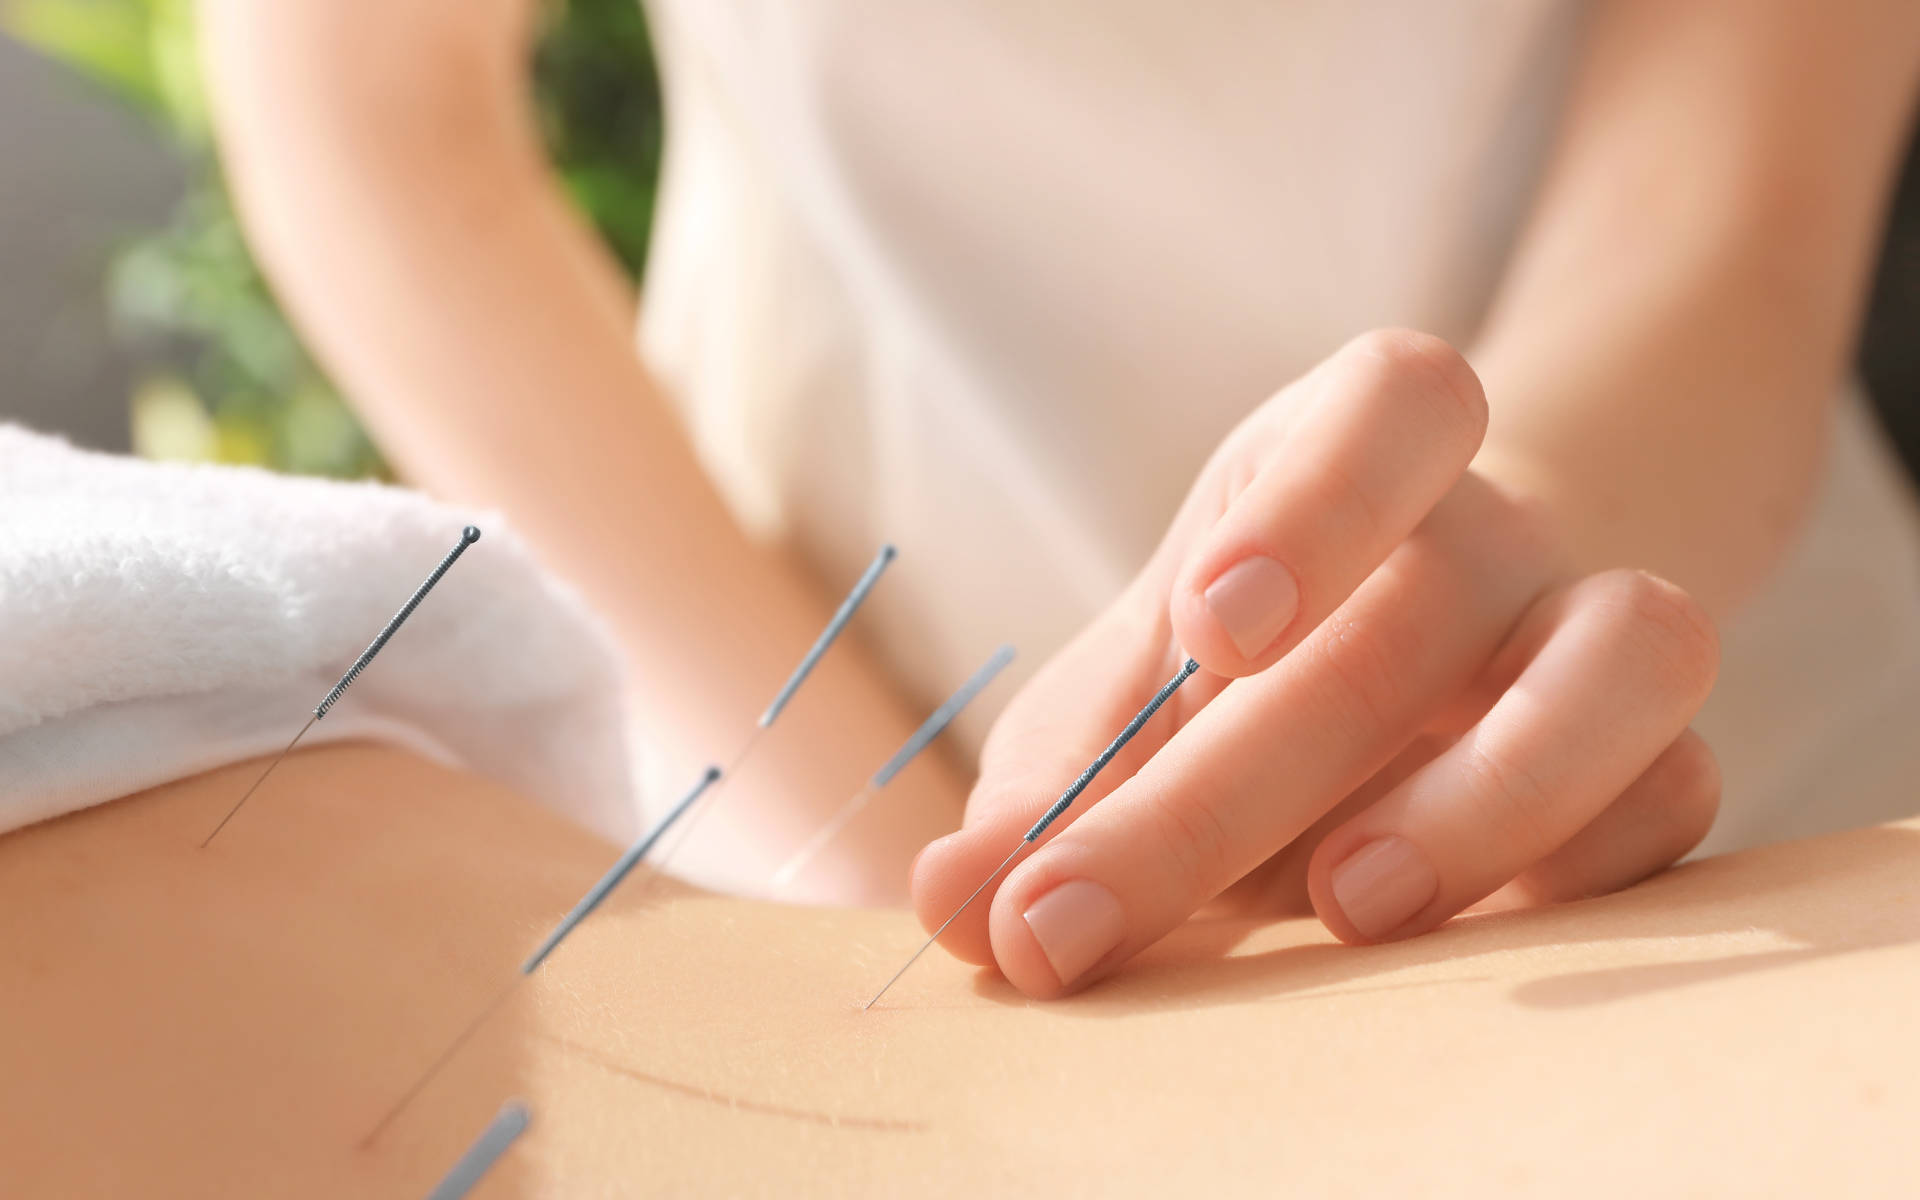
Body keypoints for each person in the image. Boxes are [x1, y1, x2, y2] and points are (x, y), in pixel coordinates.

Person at [196, 0, 1920, 999]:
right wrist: (870, 881)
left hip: (1687, 738)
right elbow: (373, 126)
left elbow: (1736, 191)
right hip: (807, 734)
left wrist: (1496, 562)